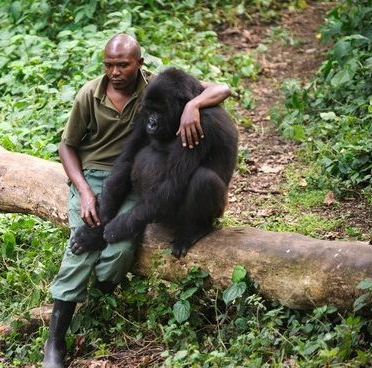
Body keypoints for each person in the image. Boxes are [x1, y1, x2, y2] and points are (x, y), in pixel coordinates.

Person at [43, 33, 231, 368]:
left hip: (193, 200)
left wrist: (194, 105)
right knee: (85, 244)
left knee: (198, 185)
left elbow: (172, 188)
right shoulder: (128, 98)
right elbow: (125, 162)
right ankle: (55, 341)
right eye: (109, 64)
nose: (153, 120)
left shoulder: (193, 119)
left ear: (138, 65)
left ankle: (194, 230)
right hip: (103, 180)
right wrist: (97, 208)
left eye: (122, 64)